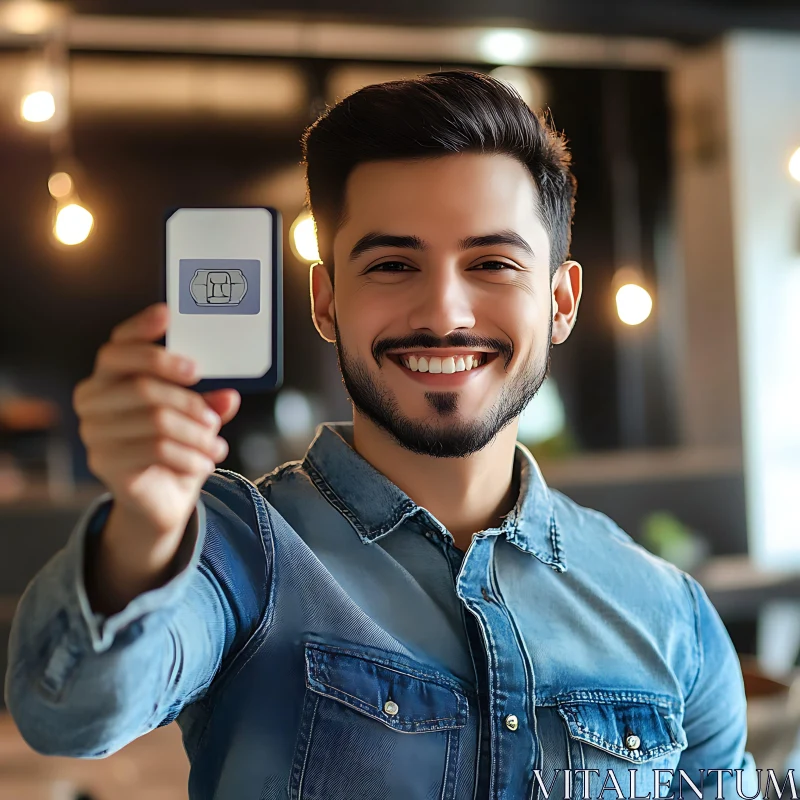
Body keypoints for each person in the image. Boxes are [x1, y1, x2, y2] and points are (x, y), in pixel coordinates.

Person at [4, 71, 758, 800]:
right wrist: (143, 527)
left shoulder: (671, 617)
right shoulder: (241, 554)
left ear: (560, 302)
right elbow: (69, 711)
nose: (445, 311)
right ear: (326, 301)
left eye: (492, 262)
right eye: (393, 264)